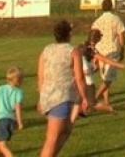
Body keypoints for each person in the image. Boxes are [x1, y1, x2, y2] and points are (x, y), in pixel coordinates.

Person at [37, 19, 86, 157]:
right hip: (60, 97)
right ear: (69, 34)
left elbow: (40, 76)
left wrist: (41, 97)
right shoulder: (73, 51)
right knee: (52, 138)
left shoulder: (46, 50)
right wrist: (84, 97)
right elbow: (79, 77)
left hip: (48, 96)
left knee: (66, 130)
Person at [74, 28, 124, 119]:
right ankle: (110, 108)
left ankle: (77, 115)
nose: (101, 38)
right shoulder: (91, 49)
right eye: (100, 37)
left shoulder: (81, 45)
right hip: (87, 79)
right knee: (93, 103)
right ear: (97, 39)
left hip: (78, 77)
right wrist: (118, 65)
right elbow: (104, 59)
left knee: (79, 97)